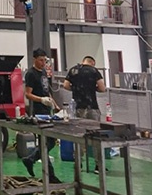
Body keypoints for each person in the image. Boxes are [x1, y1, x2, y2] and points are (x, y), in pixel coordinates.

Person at [22, 48, 62, 183]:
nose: (43, 63)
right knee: (45, 143)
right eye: (40, 60)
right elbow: (28, 94)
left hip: (47, 111)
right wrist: (41, 100)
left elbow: (46, 91)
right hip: (38, 112)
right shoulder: (31, 74)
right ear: (34, 59)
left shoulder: (44, 72)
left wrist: (54, 104)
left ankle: (30, 159)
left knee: (50, 142)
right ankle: (50, 175)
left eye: (45, 60)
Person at [63, 55, 107, 174]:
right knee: (97, 136)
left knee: (79, 136)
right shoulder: (94, 71)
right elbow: (102, 88)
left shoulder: (73, 70)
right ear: (92, 63)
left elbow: (65, 85)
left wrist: (76, 89)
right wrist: (92, 88)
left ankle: (78, 164)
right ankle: (98, 166)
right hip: (92, 107)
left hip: (78, 107)